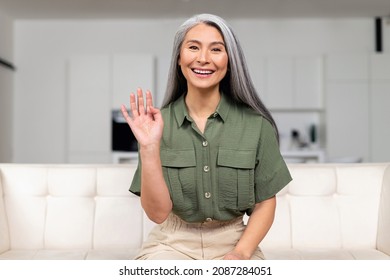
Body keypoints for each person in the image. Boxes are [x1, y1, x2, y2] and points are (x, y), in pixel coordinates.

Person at [121, 13, 292, 260]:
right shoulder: (155, 127)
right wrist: (148, 147)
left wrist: (241, 253)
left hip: (234, 241)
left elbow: (265, 203)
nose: (203, 58)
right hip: (172, 243)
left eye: (216, 49)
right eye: (193, 47)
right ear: (179, 58)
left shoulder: (257, 125)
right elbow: (158, 215)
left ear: (230, 60)